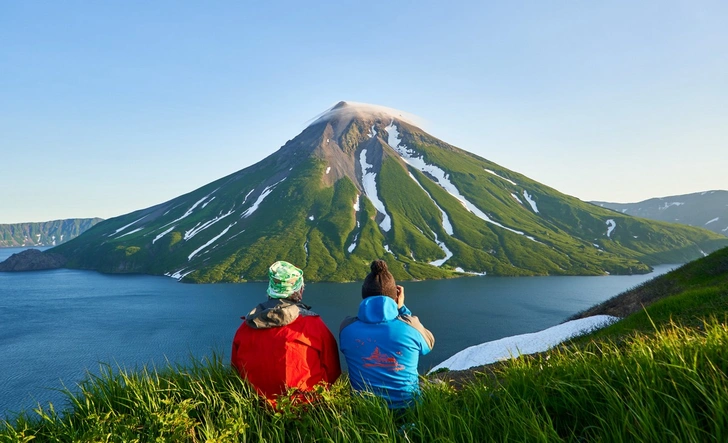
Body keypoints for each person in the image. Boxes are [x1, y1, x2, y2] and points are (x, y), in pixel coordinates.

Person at [231, 260, 341, 404]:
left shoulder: (246, 326)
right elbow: (333, 370)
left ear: (270, 290)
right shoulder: (312, 324)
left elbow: (236, 369)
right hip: (304, 407)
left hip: (256, 406)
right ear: (299, 291)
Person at [339, 260, 435, 410]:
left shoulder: (346, 328)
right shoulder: (410, 326)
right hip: (410, 409)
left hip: (365, 410)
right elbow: (429, 344)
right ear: (396, 296)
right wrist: (402, 309)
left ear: (364, 295)